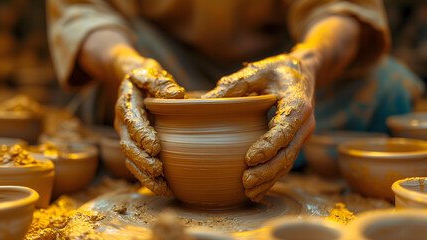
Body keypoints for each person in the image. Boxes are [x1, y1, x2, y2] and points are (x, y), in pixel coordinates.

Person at [47, 0, 423, 202]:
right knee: (110, 85)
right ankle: (266, 151)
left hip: (280, 67)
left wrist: (304, 65)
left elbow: (343, 9)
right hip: (160, 60)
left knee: (388, 87)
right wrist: (124, 65)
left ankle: (285, 135)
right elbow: (83, 11)